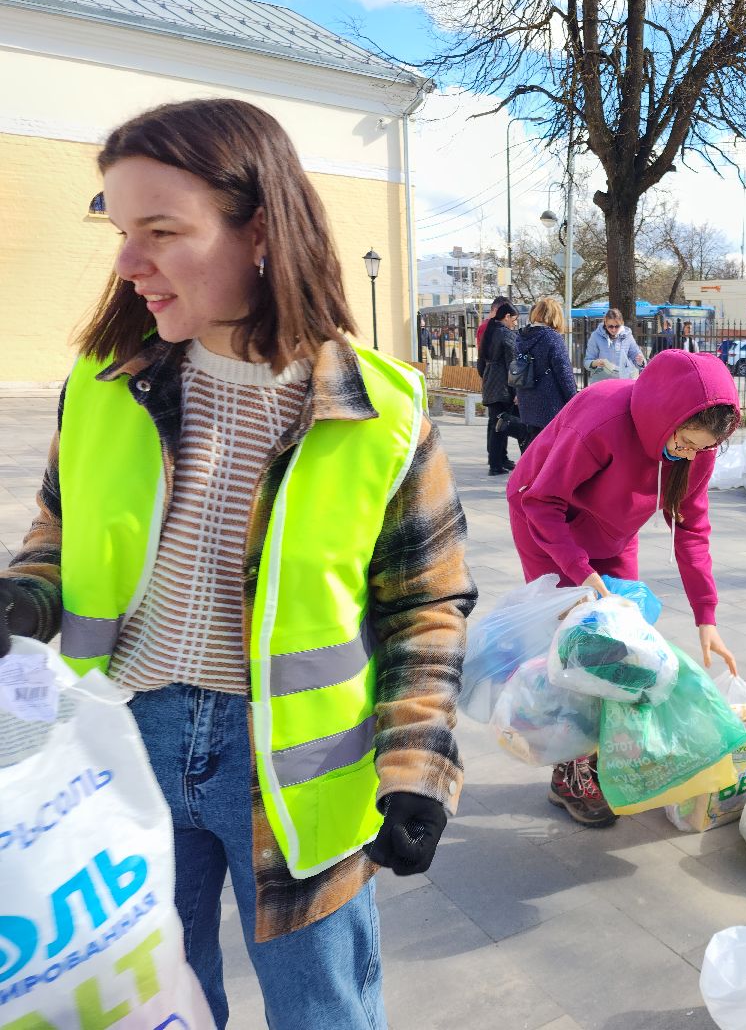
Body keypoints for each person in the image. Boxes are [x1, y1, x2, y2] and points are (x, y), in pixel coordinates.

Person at [0, 98, 477, 1030]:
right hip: (120, 746)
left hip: (297, 775)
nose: (127, 264)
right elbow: (56, 534)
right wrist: (25, 596)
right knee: (149, 1003)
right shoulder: (99, 387)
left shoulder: (382, 415)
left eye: (162, 232)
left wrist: (418, 764)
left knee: (323, 1010)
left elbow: (428, 606)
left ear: (259, 231)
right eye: (121, 231)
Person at [506, 349, 743, 827]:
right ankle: (571, 776)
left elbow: (691, 530)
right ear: (664, 418)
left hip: (613, 531)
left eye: (701, 449)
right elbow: (542, 502)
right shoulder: (601, 420)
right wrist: (581, 574)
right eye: (685, 443)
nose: (690, 455)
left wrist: (707, 616)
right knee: (584, 651)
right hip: (551, 527)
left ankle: (607, 760)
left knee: (628, 648)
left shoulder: (695, 452)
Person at [514, 295, 577, 448]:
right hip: (550, 404)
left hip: (527, 400)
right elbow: (564, 373)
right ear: (556, 316)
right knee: (550, 449)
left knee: (533, 445)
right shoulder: (552, 338)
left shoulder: (521, 338)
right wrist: (574, 399)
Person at [481, 302, 520, 475]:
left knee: (494, 424)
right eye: (514, 319)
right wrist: (516, 390)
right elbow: (513, 364)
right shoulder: (506, 334)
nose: (515, 323)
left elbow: (481, 361)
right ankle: (496, 465)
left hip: (490, 382)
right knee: (501, 424)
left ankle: (498, 460)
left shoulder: (490, 331)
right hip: (503, 385)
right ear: (507, 317)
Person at [584, 308, 646, 381]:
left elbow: (639, 359)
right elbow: (587, 362)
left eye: (617, 326)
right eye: (610, 326)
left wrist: (641, 362)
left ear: (622, 323)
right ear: (605, 323)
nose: (613, 330)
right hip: (601, 382)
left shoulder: (627, 336)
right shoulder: (595, 336)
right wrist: (594, 363)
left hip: (621, 382)